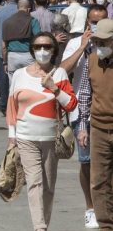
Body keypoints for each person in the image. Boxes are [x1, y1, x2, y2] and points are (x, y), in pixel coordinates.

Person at [7, 32, 77, 231]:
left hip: (50, 139)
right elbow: (11, 108)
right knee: (34, 182)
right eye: (38, 47)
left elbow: (71, 104)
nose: (42, 51)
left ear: (54, 50)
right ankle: (40, 227)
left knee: (47, 187)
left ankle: (43, 222)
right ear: (32, 50)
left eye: (47, 46)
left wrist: (54, 88)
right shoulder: (20, 75)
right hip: (25, 137)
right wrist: (12, 137)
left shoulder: (60, 74)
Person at [61, 4, 108, 229]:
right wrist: (82, 47)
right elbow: (63, 71)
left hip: (103, 109)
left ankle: (104, 207)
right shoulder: (75, 43)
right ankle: (90, 207)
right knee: (87, 162)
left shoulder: (109, 41)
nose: (98, 25)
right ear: (87, 22)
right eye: (94, 21)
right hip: (81, 109)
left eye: (103, 20)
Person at [77, 18, 113, 230]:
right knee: (98, 180)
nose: (100, 46)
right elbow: (85, 95)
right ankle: (106, 225)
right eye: (97, 42)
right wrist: (83, 126)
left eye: (105, 42)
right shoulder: (91, 60)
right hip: (98, 127)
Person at [2, 0, 41, 83]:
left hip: (12, 57)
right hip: (28, 56)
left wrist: (5, 62)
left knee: (13, 85)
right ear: (29, 9)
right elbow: (38, 39)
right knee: (31, 83)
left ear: (18, 8)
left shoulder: (7, 22)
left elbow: (4, 46)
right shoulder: (32, 21)